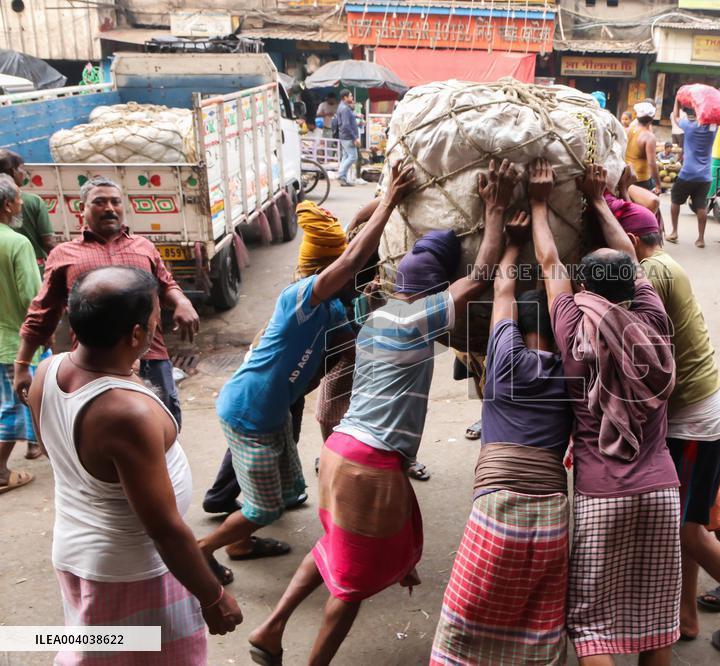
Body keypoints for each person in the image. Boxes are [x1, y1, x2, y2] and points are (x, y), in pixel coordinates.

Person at [246, 159, 517, 665]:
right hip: (370, 464)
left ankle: (270, 627)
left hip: (338, 454)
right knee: (350, 586)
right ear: (438, 287)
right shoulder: (421, 317)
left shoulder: (379, 318)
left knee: (332, 550)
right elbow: (480, 277)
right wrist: (497, 210)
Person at [198, 163, 416, 588]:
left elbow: (359, 331)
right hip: (249, 414)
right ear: (325, 271)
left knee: (291, 488)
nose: (352, 277)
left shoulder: (335, 309)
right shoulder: (298, 300)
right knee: (265, 509)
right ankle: (204, 550)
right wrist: (389, 200)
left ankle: (242, 537)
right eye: (341, 271)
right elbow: (352, 260)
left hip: (273, 411)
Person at [25, 266, 242, 663]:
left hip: (80, 552)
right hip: (129, 573)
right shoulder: (126, 414)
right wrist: (212, 596)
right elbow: (163, 528)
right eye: (156, 321)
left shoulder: (48, 370)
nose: (161, 327)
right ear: (136, 335)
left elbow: (65, 455)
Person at [533, 159, 681, 664]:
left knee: (593, 627)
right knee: (656, 623)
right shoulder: (653, 323)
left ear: (587, 289)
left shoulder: (574, 330)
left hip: (601, 495)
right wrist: (599, 199)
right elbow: (629, 258)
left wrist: (537, 203)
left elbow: (550, 265)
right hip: (662, 489)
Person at [619, 194, 720, 651]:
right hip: (705, 411)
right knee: (689, 518)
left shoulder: (650, 273)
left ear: (632, 241)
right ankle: (686, 613)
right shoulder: (668, 262)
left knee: (688, 528)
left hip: (693, 421)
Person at [431, 223, 573, 664]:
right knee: (539, 618)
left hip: (497, 508)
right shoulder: (573, 368)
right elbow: (558, 288)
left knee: (466, 618)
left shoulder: (503, 359)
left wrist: (512, 242)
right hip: (553, 510)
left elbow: (503, 291)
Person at [15, 177, 199, 429]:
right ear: (83, 210)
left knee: (164, 428)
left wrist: (181, 301)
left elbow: (166, 284)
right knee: (103, 432)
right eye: (99, 202)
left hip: (151, 358)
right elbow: (42, 314)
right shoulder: (64, 255)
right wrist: (22, 365)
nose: (110, 208)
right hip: (94, 365)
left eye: (115, 202)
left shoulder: (143, 247)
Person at [0, 174, 42, 493]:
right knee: (13, 406)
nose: (22, 202)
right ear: (6, 205)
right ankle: (0, 471)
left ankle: (35, 444)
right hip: (14, 344)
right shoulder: (17, 243)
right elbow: (32, 297)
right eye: (17, 197)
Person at [669, 99, 718, 248]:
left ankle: (674, 232)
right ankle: (701, 239)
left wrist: (676, 102)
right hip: (705, 176)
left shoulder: (689, 126)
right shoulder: (713, 129)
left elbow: (676, 117)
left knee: (675, 201)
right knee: (701, 206)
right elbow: (718, 119)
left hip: (687, 173)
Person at [0, 149, 56, 271]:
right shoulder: (33, 201)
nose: (24, 173)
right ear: (12, 171)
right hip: (33, 267)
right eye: (21, 168)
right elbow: (48, 243)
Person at [626, 101, 659, 195]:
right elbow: (652, 163)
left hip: (626, 176)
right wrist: (658, 184)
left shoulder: (627, 130)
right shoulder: (649, 137)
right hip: (641, 179)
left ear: (637, 116)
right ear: (652, 118)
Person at [335, 90, 361, 187]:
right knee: (353, 157)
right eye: (350, 96)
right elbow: (346, 124)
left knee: (345, 157)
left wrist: (356, 115)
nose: (352, 98)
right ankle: (341, 174)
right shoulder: (345, 108)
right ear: (345, 98)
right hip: (348, 137)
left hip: (344, 136)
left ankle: (343, 179)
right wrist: (355, 138)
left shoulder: (343, 107)